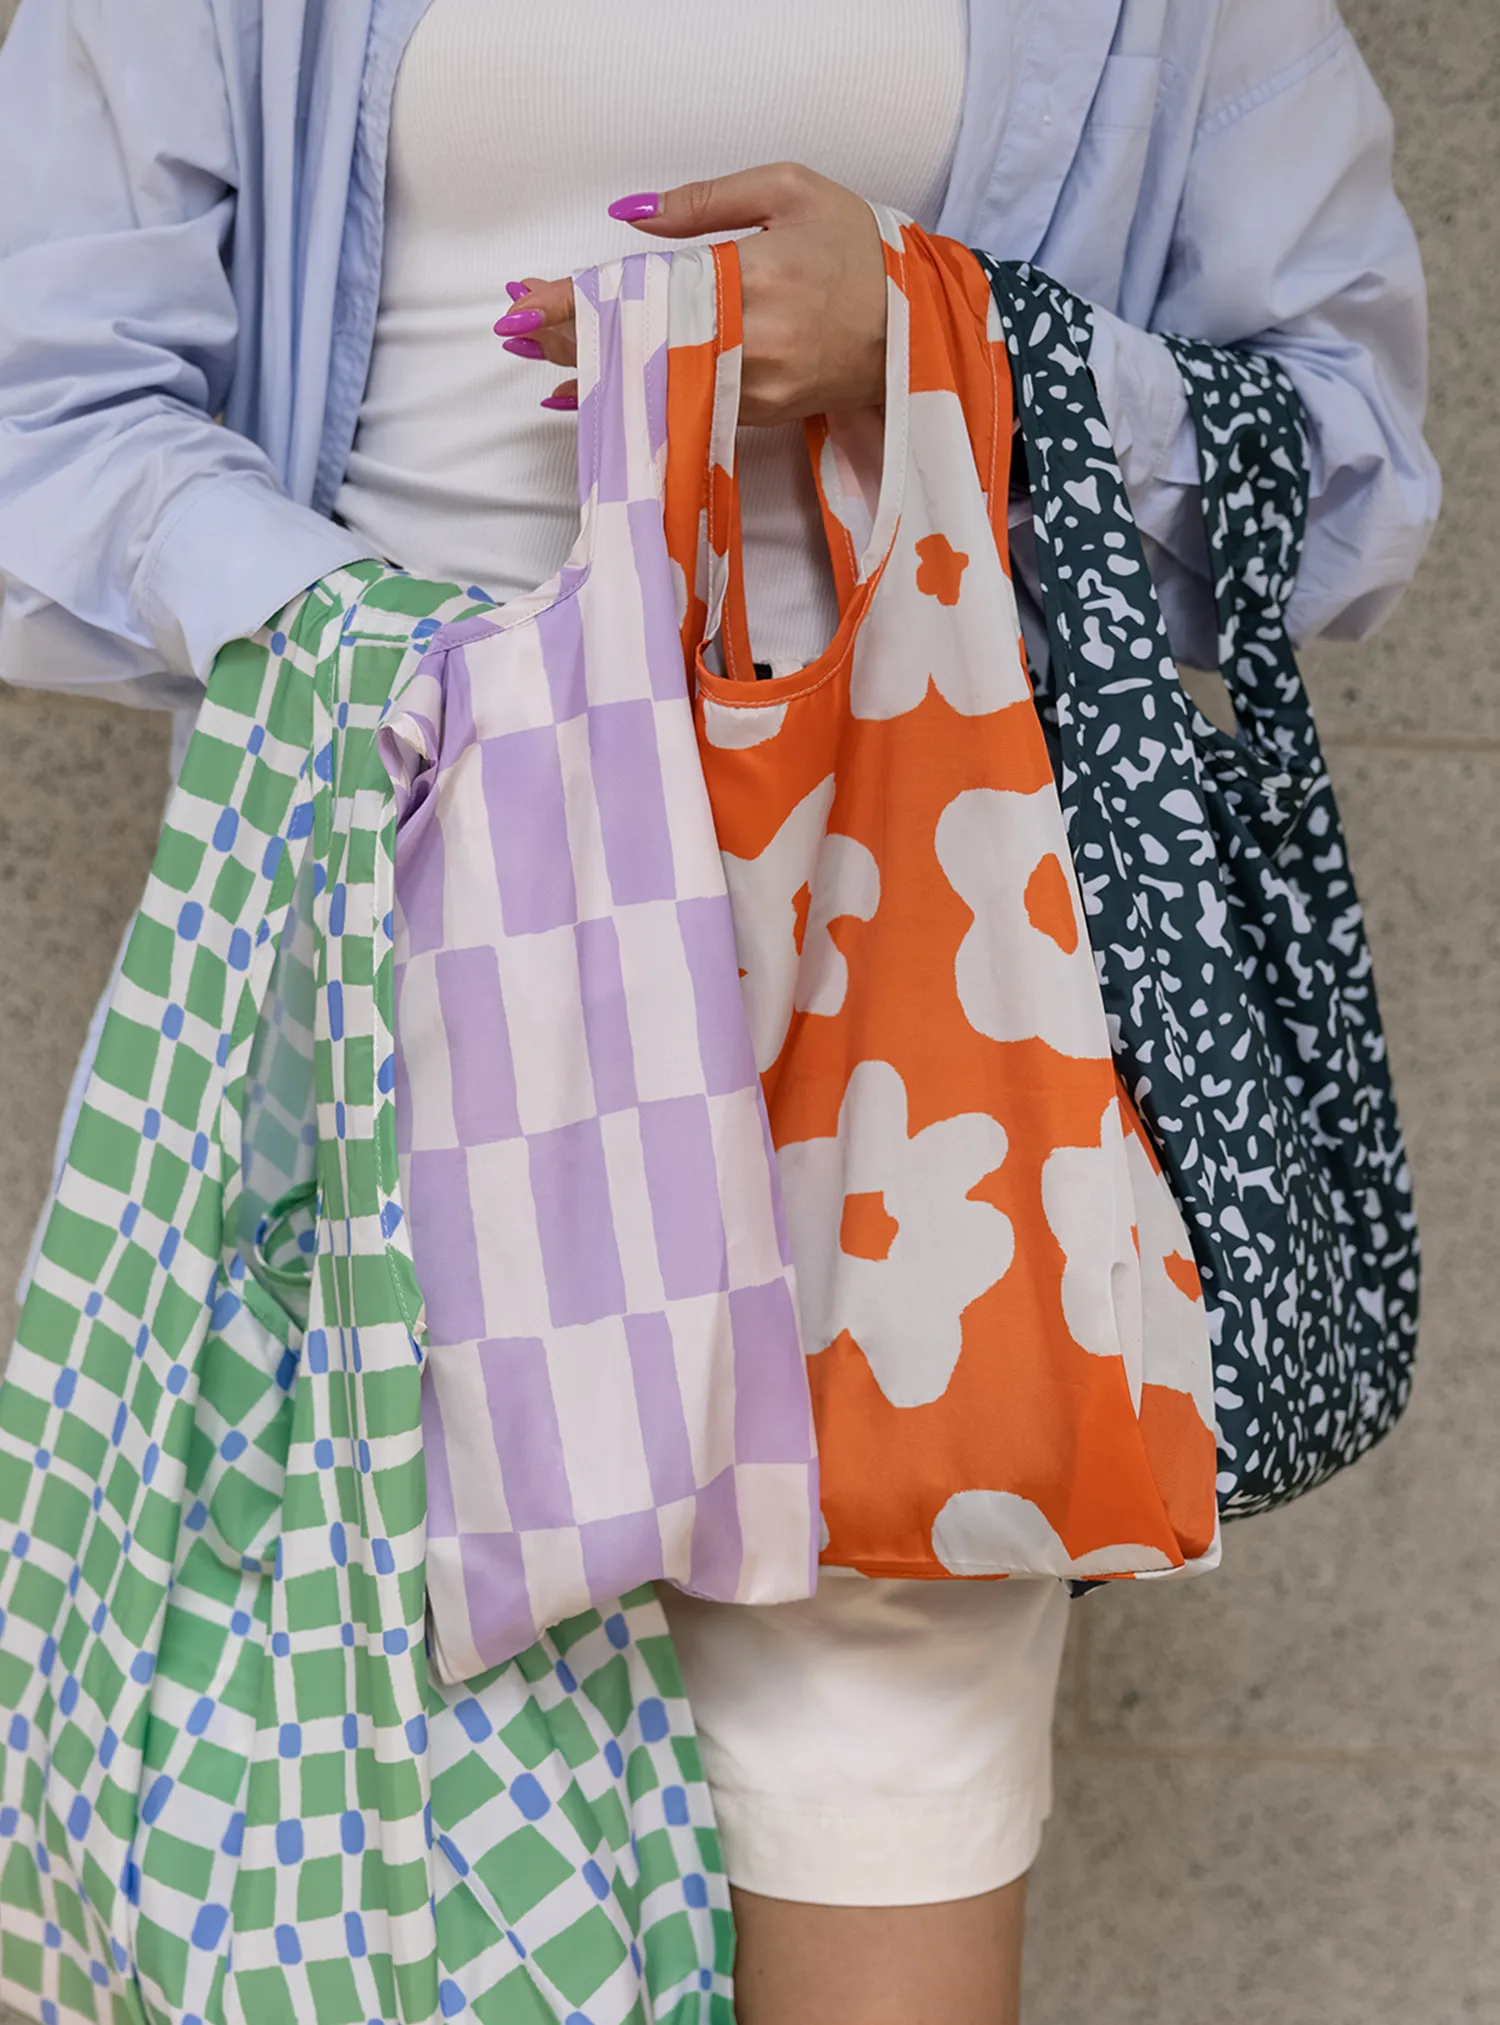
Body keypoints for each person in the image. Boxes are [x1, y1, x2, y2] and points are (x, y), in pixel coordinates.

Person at [0, 4, 1439, 2021]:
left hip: (916, 1065)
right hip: (404, 1015)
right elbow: (49, 407)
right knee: (373, 1903)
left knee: (881, 1879)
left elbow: (1346, 457)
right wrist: (383, 652)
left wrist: (943, 342)